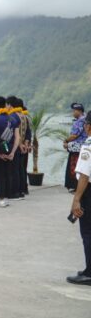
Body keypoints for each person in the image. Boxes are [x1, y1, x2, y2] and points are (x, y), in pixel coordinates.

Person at [67, 111, 91, 286]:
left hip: (88, 192)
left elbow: (84, 175)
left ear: (88, 127)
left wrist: (76, 199)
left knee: (87, 232)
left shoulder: (88, 145)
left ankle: (89, 272)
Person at [0, 96, 19, 207]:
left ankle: (0, 198)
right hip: (10, 150)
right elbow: (17, 137)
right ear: (5, 105)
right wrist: (12, 153)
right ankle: (6, 198)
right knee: (8, 174)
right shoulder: (13, 119)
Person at [64, 103, 87, 193]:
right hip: (83, 147)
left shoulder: (80, 121)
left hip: (77, 148)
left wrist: (66, 141)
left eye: (74, 111)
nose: (73, 113)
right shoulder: (85, 119)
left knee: (73, 166)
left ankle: (74, 186)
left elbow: (74, 135)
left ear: (79, 111)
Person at [6, 96, 24, 200]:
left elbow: (16, 134)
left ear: (10, 105)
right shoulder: (22, 115)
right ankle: (20, 190)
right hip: (20, 145)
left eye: (7, 105)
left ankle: (14, 192)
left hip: (15, 145)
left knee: (13, 171)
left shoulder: (12, 116)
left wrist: (20, 144)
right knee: (18, 169)